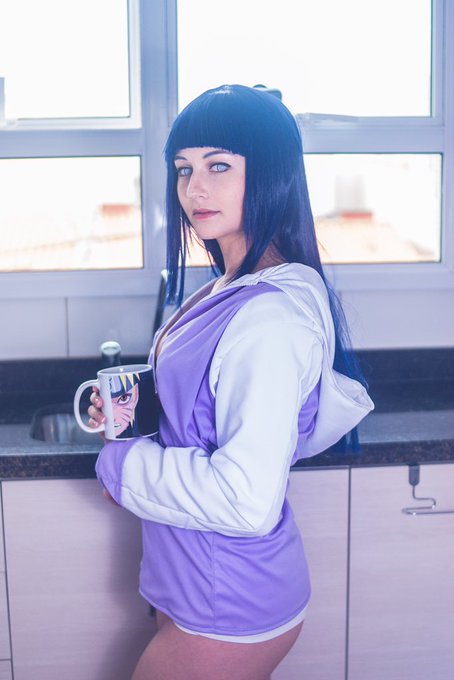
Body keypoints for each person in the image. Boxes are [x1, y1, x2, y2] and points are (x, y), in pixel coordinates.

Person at [90, 84, 374, 680]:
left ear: (270, 174)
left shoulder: (270, 317)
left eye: (219, 166)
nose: (195, 188)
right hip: (198, 584)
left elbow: (245, 499)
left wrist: (121, 465)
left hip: (228, 599)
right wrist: (133, 409)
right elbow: (205, 406)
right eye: (184, 168)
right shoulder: (233, 287)